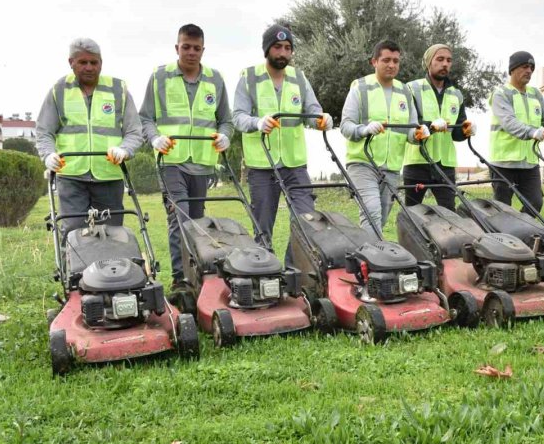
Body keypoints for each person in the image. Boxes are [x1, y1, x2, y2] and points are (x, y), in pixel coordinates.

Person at [140, 23, 234, 292]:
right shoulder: (160, 77)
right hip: (171, 160)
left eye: (196, 48)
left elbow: (225, 120)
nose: (191, 52)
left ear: (203, 50)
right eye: (186, 47)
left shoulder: (215, 80)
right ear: (177, 48)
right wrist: (154, 137)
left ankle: (198, 275)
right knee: (179, 218)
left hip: (202, 163)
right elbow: (146, 117)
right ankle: (181, 280)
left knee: (197, 221)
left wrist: (225, 135)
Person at [233, 24, 332, 261]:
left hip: (294, 162)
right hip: (262, 164)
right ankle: (265, 272)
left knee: (306, 220)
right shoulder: (249, 77)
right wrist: (257, 123)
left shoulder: (299, 78)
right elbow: (237, 116)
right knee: (263, 226)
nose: (283, 53)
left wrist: (322, 119)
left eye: (288, 48)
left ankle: (291, 268)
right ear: (267, 49)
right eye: (278, 47)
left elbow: (313, 110)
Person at [36, 38, 143, 237]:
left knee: (112, 233)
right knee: (73, 231)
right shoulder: (59, 90)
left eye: (94, 62)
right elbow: (44, 131)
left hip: (109, 174)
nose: (89, 67)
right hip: (71, 175)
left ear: (101, 63)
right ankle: (73, 268)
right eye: (83, 62)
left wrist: (125, 150)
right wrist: (48, 154)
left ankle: (112, 268)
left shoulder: (118, 89)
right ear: (71, 62)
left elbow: (135, 132)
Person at [340, 40, 427, 239]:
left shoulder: (405, 92)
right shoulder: (360, 88)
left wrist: (419, 134)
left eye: (396, 61)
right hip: (362, 163)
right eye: (386, 60)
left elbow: (411, 131)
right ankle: (376, 261)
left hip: (392, 167)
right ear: (374, 62)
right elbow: (345, 126)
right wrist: (364, 130)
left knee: (381, 215)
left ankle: (364, 254)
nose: (391, 65)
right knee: (371, 210)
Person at [488, 51, 544, 213]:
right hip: (503, 163)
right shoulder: (501, 94)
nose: (529, 71)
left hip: (529, 163)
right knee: (502, 209)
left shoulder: (535, 94)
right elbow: (509, 122)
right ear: (513, 70)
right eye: (525, 67)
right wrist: (531, 132)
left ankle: (523, 232)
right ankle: (501, 237)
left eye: (531, 67)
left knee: (535, 203)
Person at [401, 44, 475, 211]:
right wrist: (431, 126)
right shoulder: (412, 88)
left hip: (445, 164)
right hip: (417, 163)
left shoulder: (456, 94)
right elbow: (410, 123)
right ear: (429, 62)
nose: (445, 64)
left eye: (449, 60)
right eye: (440, 59)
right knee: (413, 214)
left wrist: (466, 131)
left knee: (450, 213)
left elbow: (456, 134)